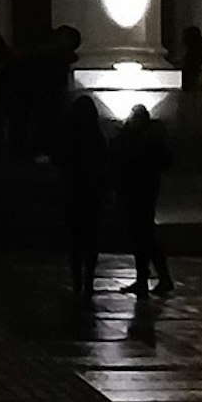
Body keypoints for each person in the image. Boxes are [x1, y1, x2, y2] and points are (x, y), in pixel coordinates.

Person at [109, 105, 172, 298]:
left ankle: (151, 278)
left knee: (142, 236)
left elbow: (124, 159)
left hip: (138, 192)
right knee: (143, 236)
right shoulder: (151, 138)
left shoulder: (139, 139)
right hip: (142, 191)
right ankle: (152, 277)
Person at [53, 88, 107, 301]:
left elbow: (60, 158)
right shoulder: (96, 135)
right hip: (92, 193)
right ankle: (89, 280)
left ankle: (77, 281)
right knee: (91, 239)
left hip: (73, 191)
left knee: (74, 240)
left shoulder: (68, 134)